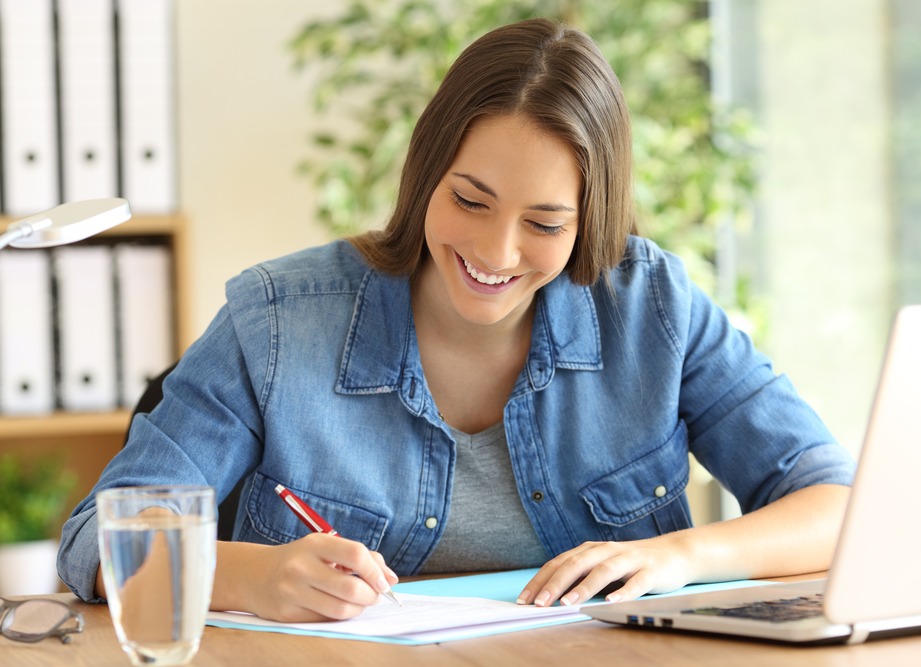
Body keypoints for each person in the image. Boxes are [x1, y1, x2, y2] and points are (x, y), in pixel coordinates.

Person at [59, 18, 854, 622]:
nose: (494, 250)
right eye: (469, 200)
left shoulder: (653, 308)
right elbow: (98, 540)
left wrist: (681, 555)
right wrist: (250, 576)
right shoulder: (277, 322)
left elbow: (837, 501)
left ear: (590, 223)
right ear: (425, 172)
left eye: (544, 224)